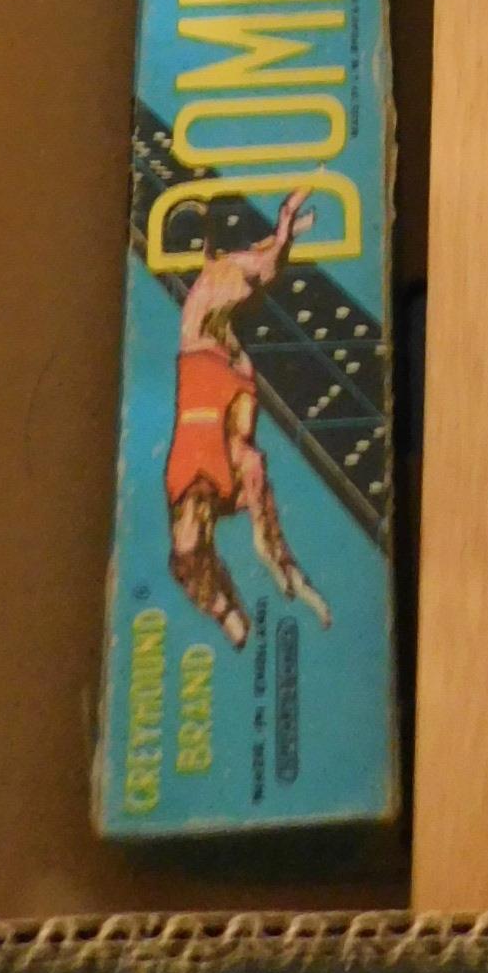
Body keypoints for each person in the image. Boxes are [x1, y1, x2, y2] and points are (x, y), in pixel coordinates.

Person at [163, 189, 333, 646]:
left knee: (233, 275)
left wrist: (220, 610)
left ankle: (282, 233)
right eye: (197, 530)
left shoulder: (179, 483)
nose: (190, 522)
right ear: (207, 531)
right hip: (234, 372)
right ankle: (281, 234)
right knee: (251, 272)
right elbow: (260, 510)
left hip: (200, 348)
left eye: (182, 526)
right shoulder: (230, 487)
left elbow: (186, 568)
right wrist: (276, 571)